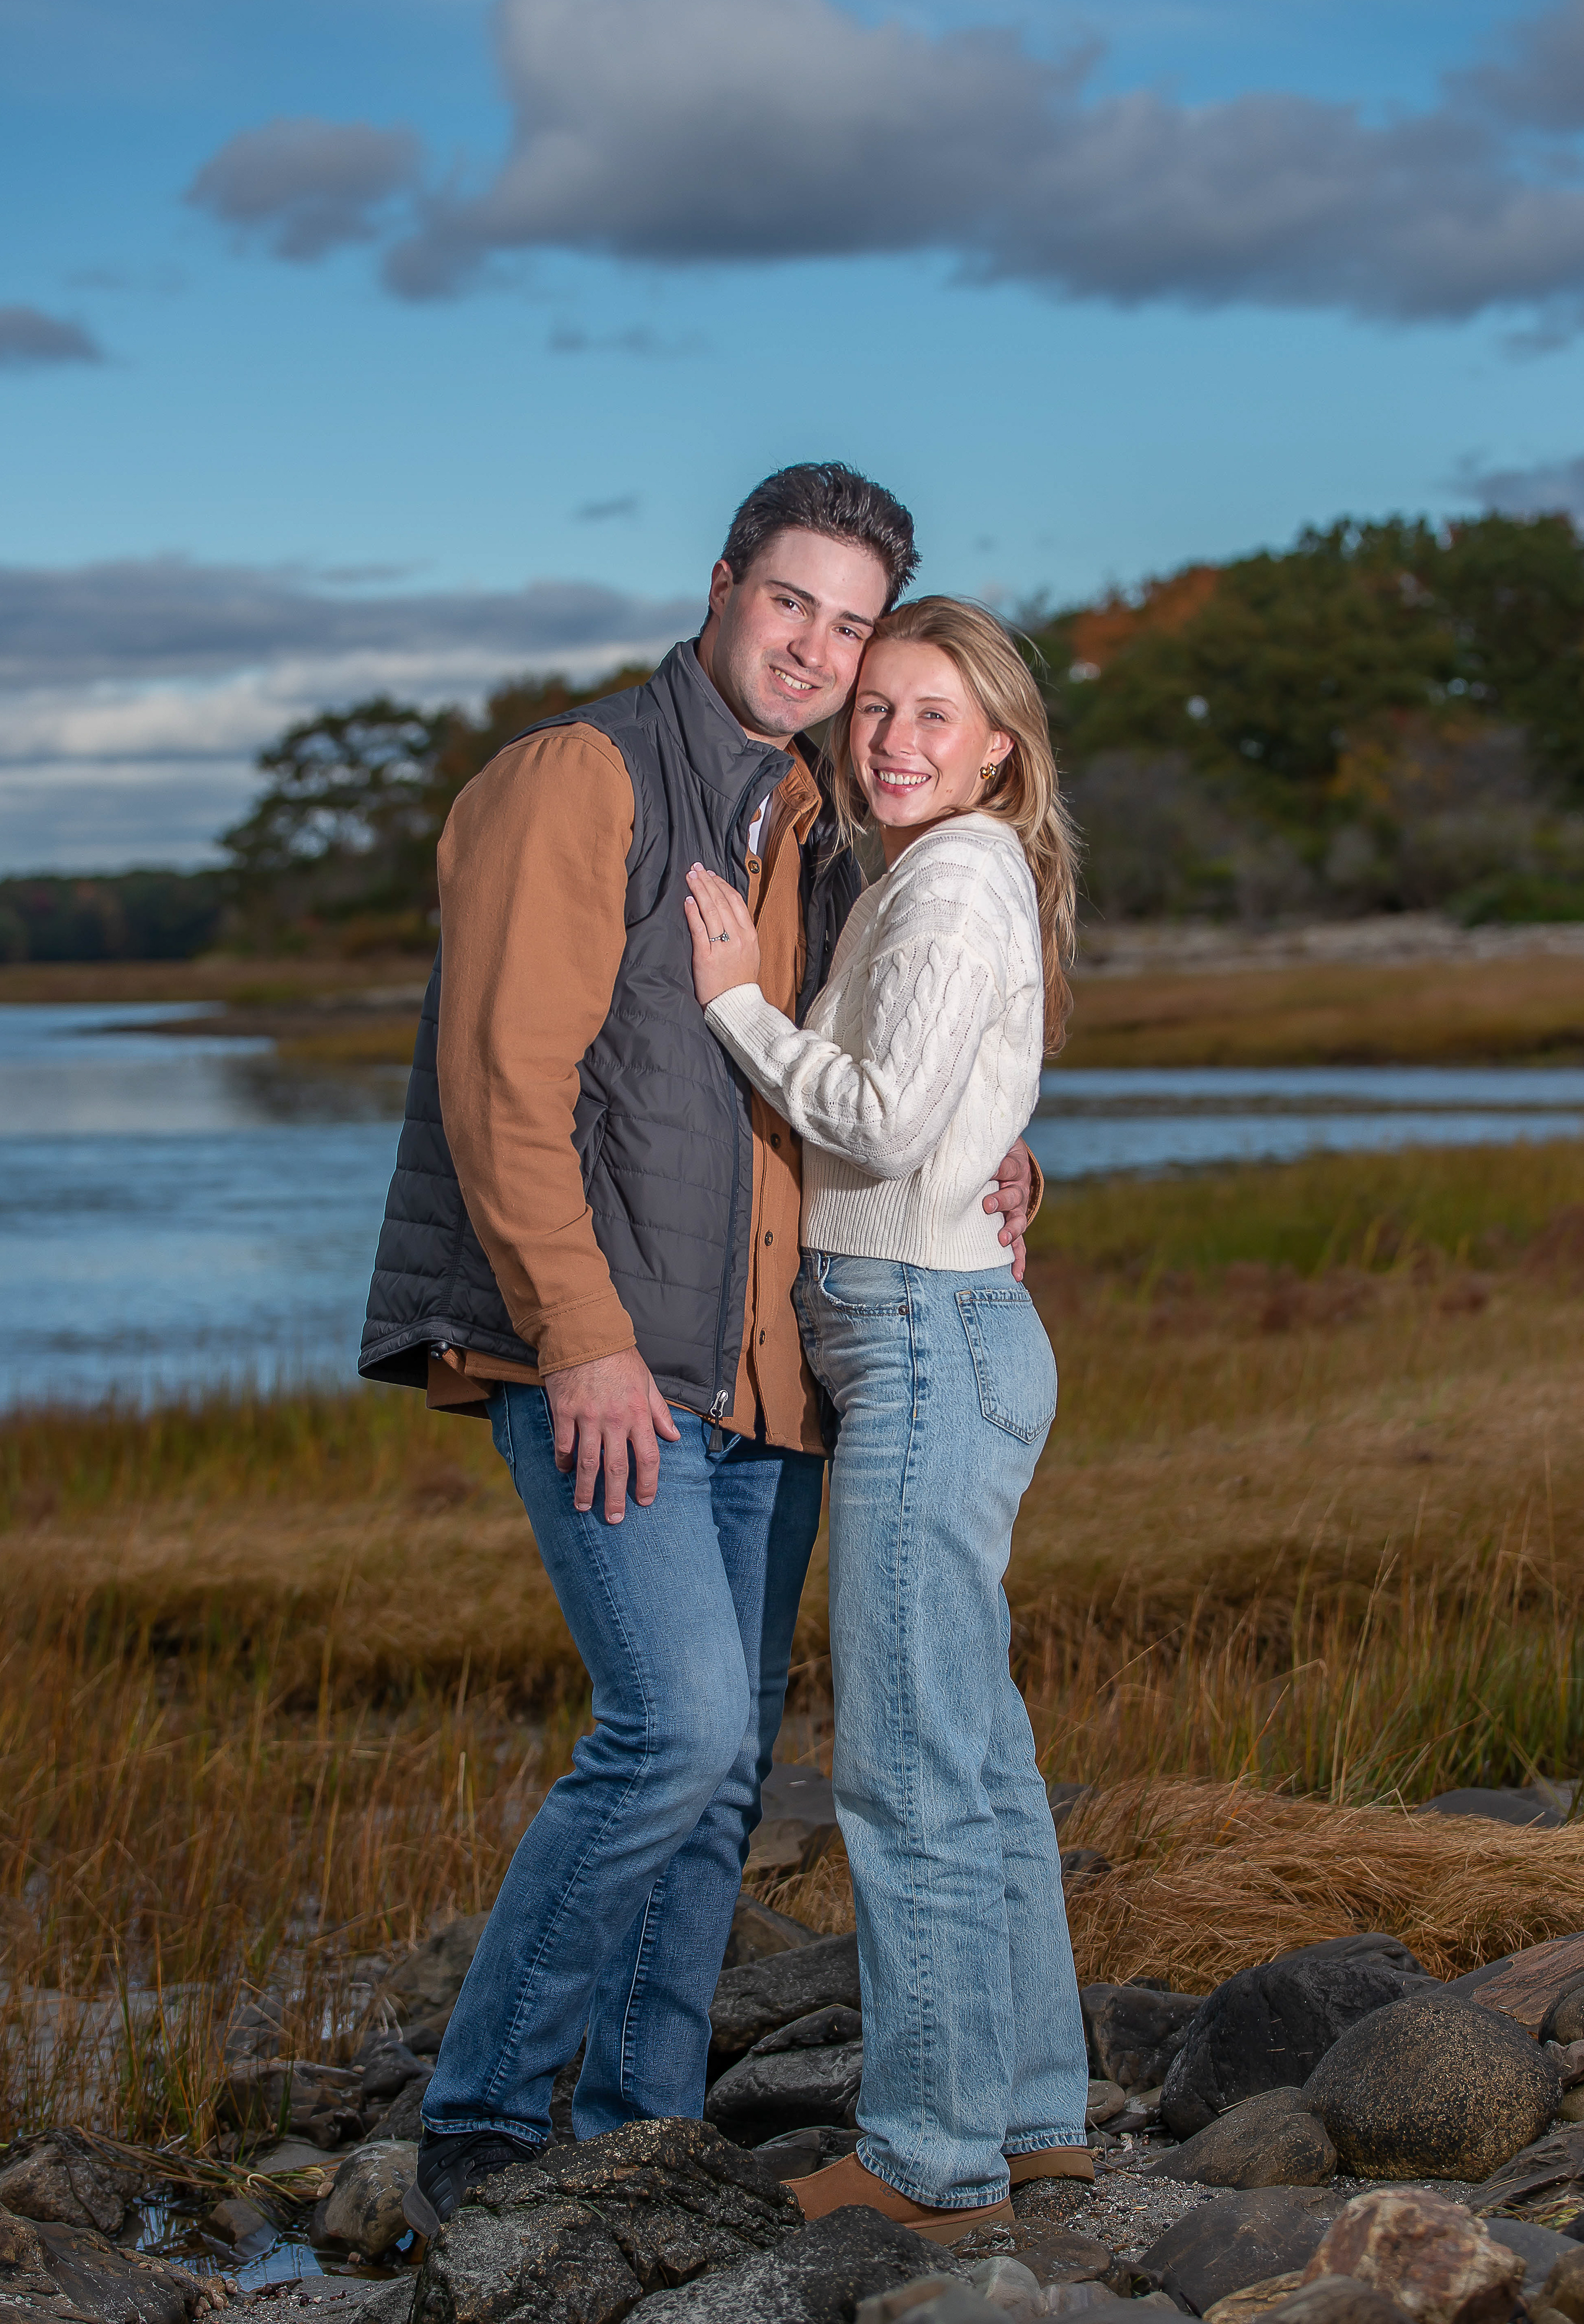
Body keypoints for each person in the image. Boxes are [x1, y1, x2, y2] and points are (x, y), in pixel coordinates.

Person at [358, 469, 1038, 2238]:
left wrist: (989, 1152)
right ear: (725, 585)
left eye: (851, 625)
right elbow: (504, 1087)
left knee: (732, 1765)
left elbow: (852, 1075)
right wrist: (577, 1343)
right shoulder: (580, 779)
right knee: (674, 1728)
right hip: (617, 1365)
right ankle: (489, 2121)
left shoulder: (816, 823)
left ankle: (646, 2118)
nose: (818, 649)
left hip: (771, 1375)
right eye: (791, 604)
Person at [683, 595, 1088, 2241]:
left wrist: (731, 999)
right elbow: (956, 1120)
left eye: (936, 714)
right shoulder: (941, 879)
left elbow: (880, 1109)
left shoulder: (956, 880)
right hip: (942, 1325)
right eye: (877, 712)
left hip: (923, 1341)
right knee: (977, 1754)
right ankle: (1038, 2110)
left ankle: (933, 2161)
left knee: (911, 1772)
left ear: (1000, 744)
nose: (895, 740)